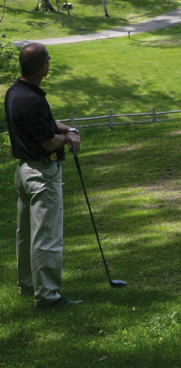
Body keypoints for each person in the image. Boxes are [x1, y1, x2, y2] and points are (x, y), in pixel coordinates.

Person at [7, 43, 83, 307]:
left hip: (24, 171)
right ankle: (48, 295)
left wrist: (69, 129)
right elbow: (50, 141)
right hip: (42, 175)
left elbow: (48, 125)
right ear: (44, 67)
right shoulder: (32, 100)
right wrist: (68, 137)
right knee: (46, 236)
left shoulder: (16, 92)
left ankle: (28, 285)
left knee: (26, 233)